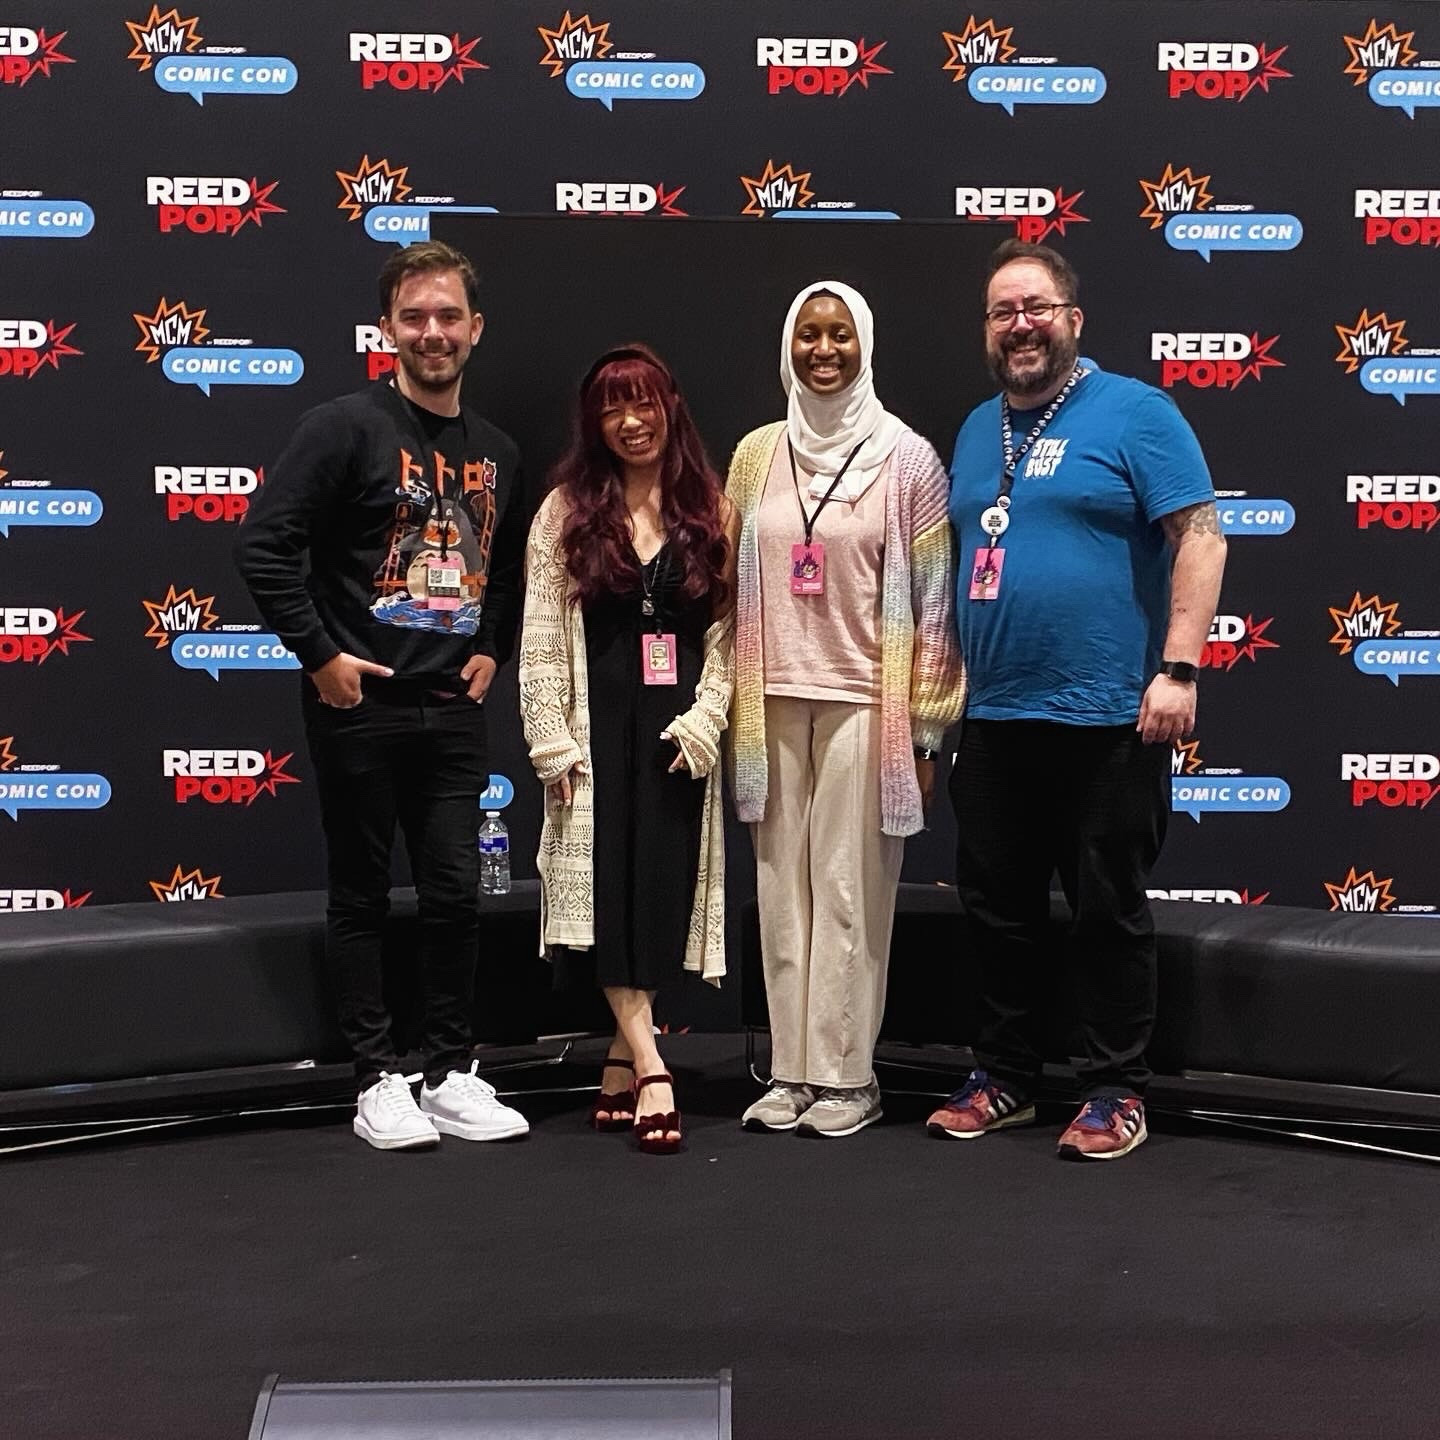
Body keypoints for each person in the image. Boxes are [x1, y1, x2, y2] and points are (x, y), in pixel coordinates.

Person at [929, 238, 1226, 1161]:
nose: (1019, 325)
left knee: (1107, 909)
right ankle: (1007, 1076)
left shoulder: (1137, 412)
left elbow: (1203, 536)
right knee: (998, 910)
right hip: (993, 719)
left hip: (1105, 717)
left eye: (1035, 308)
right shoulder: (979, 428)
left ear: (1073, 320)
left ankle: (1112, 1089)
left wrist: (1178, 669)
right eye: (1001, 311)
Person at [236, 240, 531, 1152]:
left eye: (449, 317)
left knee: (454, 894)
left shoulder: (499, 452)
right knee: (361, 894)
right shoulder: (344, 427)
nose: (432, 333)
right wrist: (320, 656)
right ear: (387, 329)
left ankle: (448, 1070)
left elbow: (505, 566)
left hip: (450, 710)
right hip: (356, 705)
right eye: (415, 317)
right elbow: (264, 546)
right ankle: (376, 1078)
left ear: (476, 331)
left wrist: (490, 648)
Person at [728, 281, 966, 1138]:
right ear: (786, 348)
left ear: (866, 344)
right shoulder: (756, 455)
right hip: (769, 705)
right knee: (780, 892)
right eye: (807, 335)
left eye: (839, 335)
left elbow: (937, 605)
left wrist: (930, 728)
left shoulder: (909, 461)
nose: (823, 351)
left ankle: (847, 1076)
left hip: (869, 706)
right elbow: (727, 590)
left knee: (848, 895)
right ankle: (791, 1071)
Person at [519, 344, 737, 1155]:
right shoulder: (563, 511)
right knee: (604, 894)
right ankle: (651, 1065)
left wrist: (708, 718)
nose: (631, 421)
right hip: (591, 728)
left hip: (676, 737)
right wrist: (550, 737)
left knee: (655, 893)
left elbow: (730, 636)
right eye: (613, 407)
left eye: (644, 402)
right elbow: (541, 633)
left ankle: (616, 1057)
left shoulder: (712, 508)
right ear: (594, 421)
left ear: (670, 406)